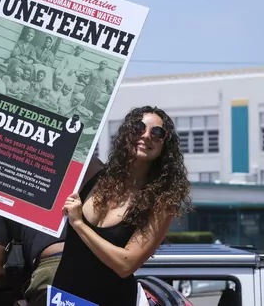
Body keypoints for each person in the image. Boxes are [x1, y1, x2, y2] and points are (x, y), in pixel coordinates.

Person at [53, 106, 192, 306]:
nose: (146, 136)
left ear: (164, 144)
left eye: (157, 133)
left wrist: (79, 224)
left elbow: (125, 264)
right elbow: (62, 140)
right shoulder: (92, 173)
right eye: (138, 127)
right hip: (63, 298)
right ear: (126, 133)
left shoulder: (161, 203)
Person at [0, 214, 66, 306]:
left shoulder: (7, 205)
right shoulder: (78, 200)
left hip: (50, 271)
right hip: (82, 266)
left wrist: (21, 287)